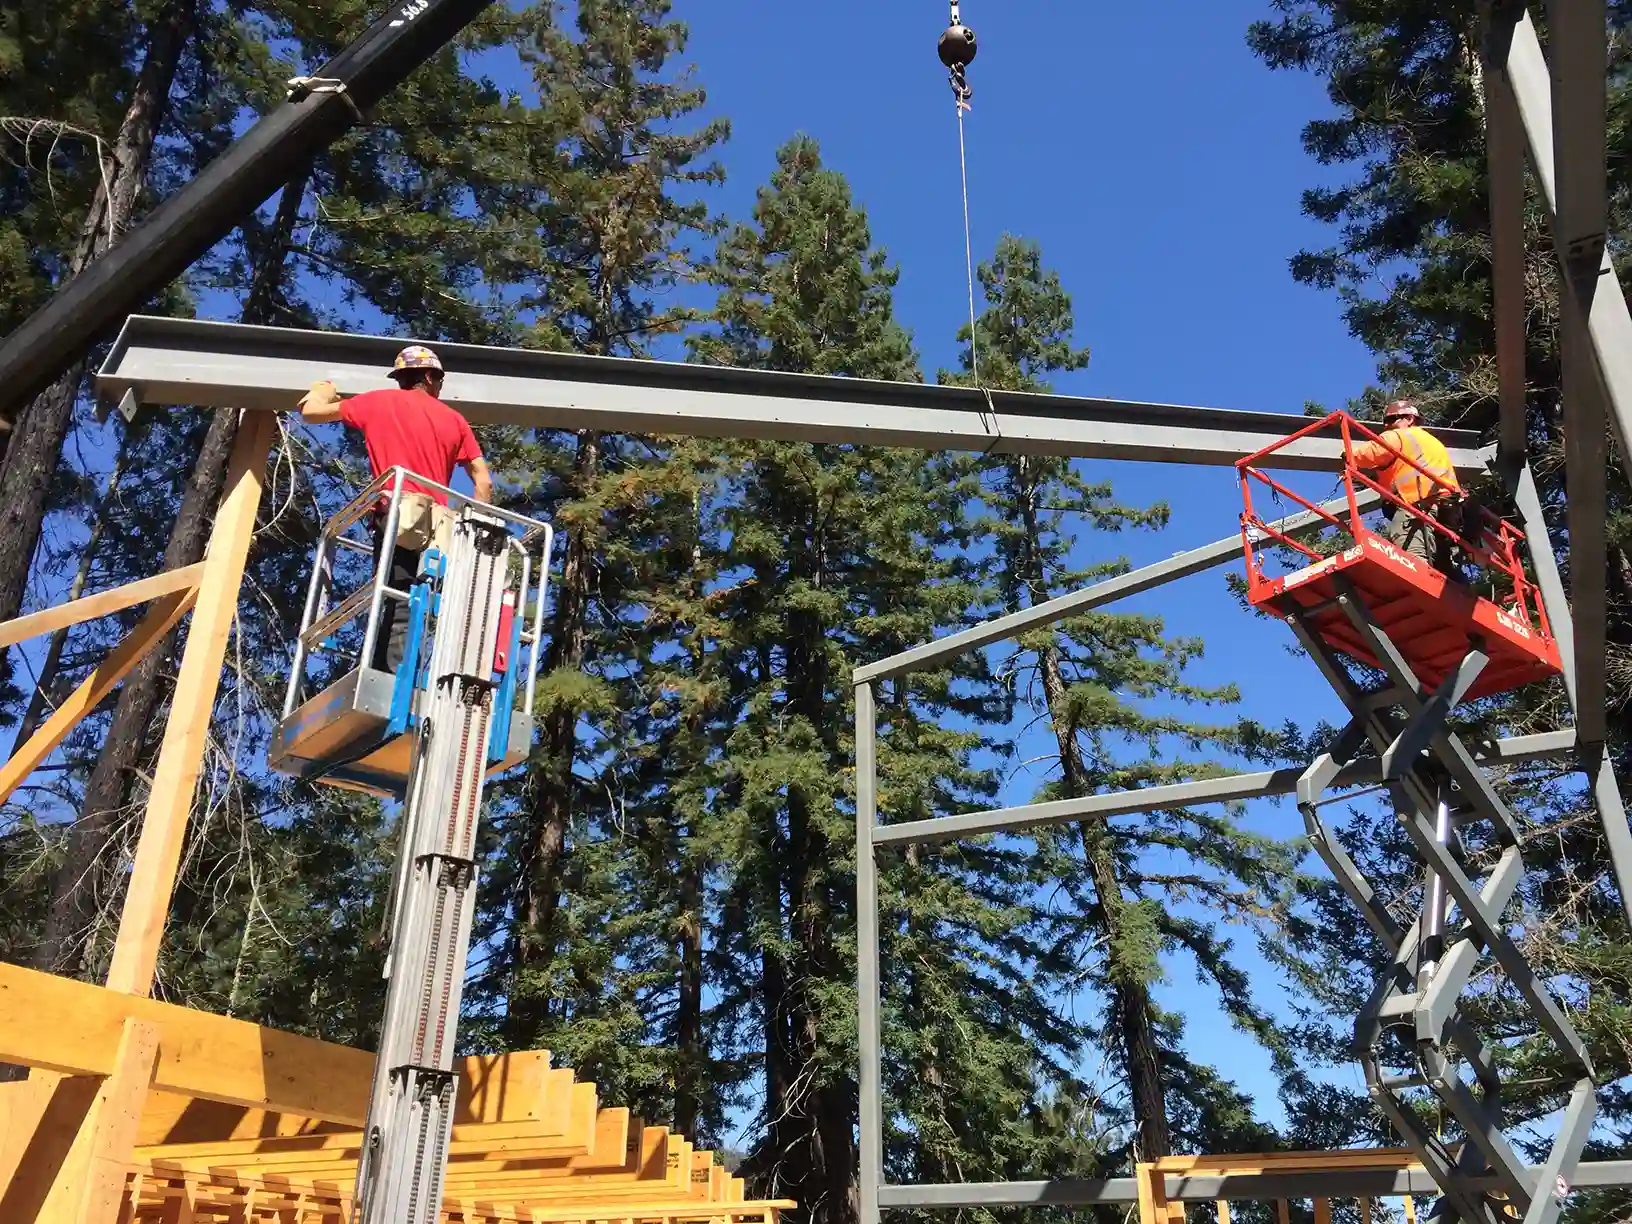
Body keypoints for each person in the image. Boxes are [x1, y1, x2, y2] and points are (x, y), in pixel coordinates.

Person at [298, 345, 494, 674]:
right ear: (430, 377)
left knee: (391, 596)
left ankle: (383, 677)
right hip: (437, 527)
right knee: (418, 602)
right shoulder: (455, 421)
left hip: (398, 516)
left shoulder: (376, 402)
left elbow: (311, 412)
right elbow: (483, 482)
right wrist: (479, 529)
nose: (441, 385)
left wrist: (322, 390)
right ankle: (401, 678)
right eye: (440, 379)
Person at [1351, 399, 1463, 572]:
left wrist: (1348, 455)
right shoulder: (1432, 441)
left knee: (1409, 546)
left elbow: (1373, 451)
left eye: (1392, 419)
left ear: (1410, 419)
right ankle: (1456, 587)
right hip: (1448, 506)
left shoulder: (1399, 435)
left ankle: (1422, 583)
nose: (1387, 425)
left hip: (1418, 501)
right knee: (1442, 554)